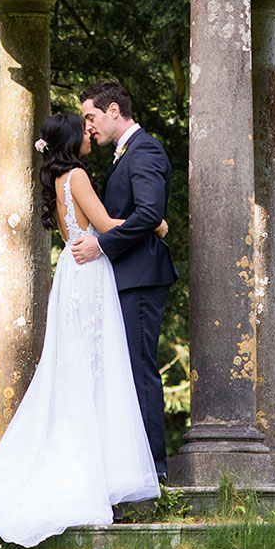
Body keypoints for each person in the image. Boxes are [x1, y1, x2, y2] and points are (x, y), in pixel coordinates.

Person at [0, 112, 165, 545]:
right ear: (71, 140)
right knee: (95, 367)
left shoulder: (59, 179)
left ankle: (88, 460)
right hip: (90, 274)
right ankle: (92, 468)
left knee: (76, 367)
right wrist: (154, 221)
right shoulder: (77, 175)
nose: (87, 130)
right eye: (81, 126)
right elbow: (105, 225)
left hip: (71, 272)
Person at [73, 82, 178, 480]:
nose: (89, 128)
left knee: (139, 370)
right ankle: (130, 468)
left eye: (92, 117)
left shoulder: (145, 149)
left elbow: (151, 213)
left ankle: (154, 472)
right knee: (124, 371)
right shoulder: (123, 155)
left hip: (140, 277)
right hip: (125, 277)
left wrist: (101, 245)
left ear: (114, 110)